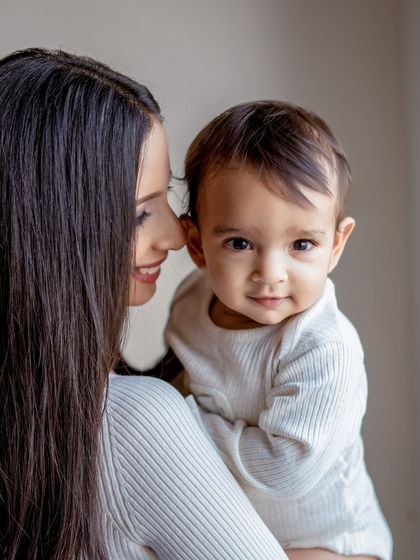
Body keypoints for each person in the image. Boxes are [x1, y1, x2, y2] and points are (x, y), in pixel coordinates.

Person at [0, 49, 292, 560]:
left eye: (168, 197)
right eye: (139, 214)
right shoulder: (135, 424)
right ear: (49, 234)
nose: (177, 235)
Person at [165, 101, 393, 559]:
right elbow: (189, 375)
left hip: (329, 541)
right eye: (240, 243)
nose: (270, 272)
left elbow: (286, 470)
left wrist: (183, 425)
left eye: (302, 244)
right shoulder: (193, 301)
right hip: (246, 528)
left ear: (336, 244)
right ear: (197, 245)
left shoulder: (323, 348)